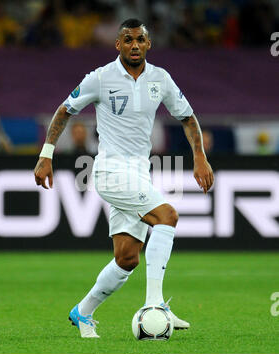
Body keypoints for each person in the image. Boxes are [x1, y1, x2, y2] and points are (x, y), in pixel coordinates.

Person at [34, 19, 214, 338]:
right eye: (128, 39)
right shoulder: (101, 78)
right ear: (118, 44)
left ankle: (83, 312)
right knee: (167, 216)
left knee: (127, 258)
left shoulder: (161, 79)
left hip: (139, 173)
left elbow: (187, 117)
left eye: (140, 39)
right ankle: (155, 305)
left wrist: (199, 155)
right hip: (110, 170)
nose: (134, 44)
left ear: (148, 44)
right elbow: (65, 110)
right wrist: (46, 154)